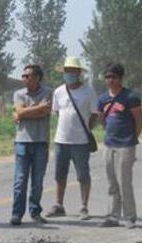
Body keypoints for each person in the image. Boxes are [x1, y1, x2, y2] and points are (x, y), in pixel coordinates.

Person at [45, 56, 98, 220]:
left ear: (78, 73)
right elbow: (58, 113)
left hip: (80, 141)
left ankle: (84, 206)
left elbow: (94, 114)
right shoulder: (59, 91)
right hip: (61, 140)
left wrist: (87, 128)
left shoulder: (88, 91)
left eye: (72, 71)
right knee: (60, 175)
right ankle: (59, 204)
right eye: (66, 71)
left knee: (83, 175)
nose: (69, 74)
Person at [98, 63, 142, 228]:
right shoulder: (103, 98)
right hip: (109, 144)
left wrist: (131, 139)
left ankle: (130, 217)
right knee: (112, 183)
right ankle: (112, 216)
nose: (110, 80)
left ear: (120, 78)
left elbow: (139, 121)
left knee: (124, 182)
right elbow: (102, 119)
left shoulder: (130, 97)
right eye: (107, 77)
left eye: (113, 77)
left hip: (126, 145)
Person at [10, 65, 52, 226]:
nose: (24, 79)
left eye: (28, 76)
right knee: (20, 180)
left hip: (41, 141)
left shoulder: (48, 92)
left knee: (37, 180)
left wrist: (25, 112)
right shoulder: (18, 94)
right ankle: (17, 214)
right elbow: (19, 112)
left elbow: (44, 112)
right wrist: (36, 109)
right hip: (22, 141)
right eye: (23, 76)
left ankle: (35, 211)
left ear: (37, 78)